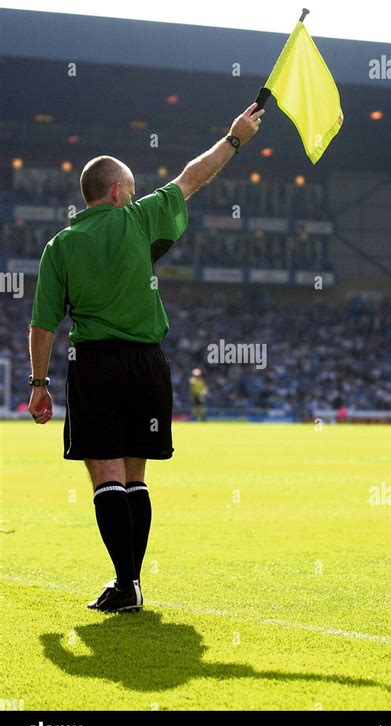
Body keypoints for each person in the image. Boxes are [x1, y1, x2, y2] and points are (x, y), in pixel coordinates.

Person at [27, 102, 265, 613]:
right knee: (136, 477)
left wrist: (38, 383)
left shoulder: (61, 246)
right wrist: (234, 138)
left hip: (96, 365)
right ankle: (130, 584)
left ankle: (125, 582)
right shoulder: (137, 221)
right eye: (131, 188)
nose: (133, 194)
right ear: (117, 192)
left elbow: (43, 323)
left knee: (106, 475)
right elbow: (191, 178)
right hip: (150, 365)